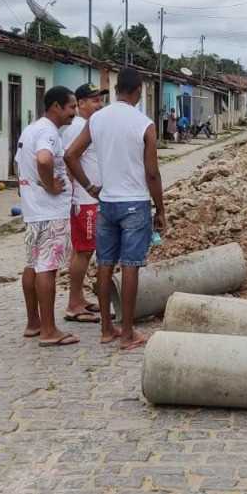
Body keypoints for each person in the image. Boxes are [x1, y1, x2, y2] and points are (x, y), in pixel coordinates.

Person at [65, 66, 166, 351]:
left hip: (106, 203)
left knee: (105, 264)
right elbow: (153, 173)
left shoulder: (97, 119)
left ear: (116, 88)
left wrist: (89, 187)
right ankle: (128, 333)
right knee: (131, 266)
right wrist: (161, 210)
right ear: (138, 90)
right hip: (134, 203)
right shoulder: (144, 123)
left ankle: (107, 329)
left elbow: (70, 155)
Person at [17, 86, 79, 346]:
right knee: (47, 269)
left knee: (32, 265)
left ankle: (33, 323)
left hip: (33, 211)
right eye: (71, 107)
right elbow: (44, 160)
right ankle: (49, 330)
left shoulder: (30, 129)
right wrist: (50, 185)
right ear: (56, 106)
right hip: (49, 211)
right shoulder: (48, 133)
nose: (74, 113)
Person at [62, 83, 107, 327]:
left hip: (92, 200)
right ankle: (73, 304)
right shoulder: (78, 128)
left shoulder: (90, 126)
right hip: (85, 200)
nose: (98, 105)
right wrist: (87, 187)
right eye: (93, 101)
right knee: (83, 252)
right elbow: (69, 159)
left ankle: (80, 298)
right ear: (80, 104)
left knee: (86, 250)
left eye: (100, 100)